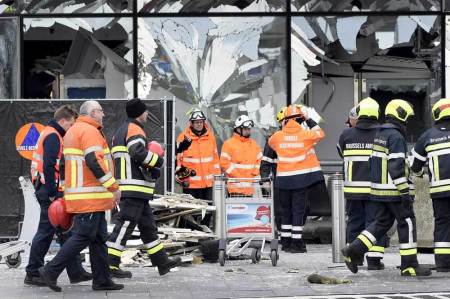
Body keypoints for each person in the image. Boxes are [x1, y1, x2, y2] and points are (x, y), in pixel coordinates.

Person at [38, 100, 124, 292]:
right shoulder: (90, 131)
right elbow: (94, 161)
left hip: (84, 196)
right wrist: (113, 187)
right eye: (101, 111)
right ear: (93, 112)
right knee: (84, 236)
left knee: (99, 238)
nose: (103, 114)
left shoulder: (73, 131)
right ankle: (50, 270)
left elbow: (64, 165)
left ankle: (102, 280)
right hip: (90, 196)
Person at [341, 99, 431, 277]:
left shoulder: (381, 134)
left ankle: (354, 250)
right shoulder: (396, 137)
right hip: (394, 191)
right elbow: (396, 166)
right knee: (407, 223)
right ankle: (410, 265)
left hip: (379, 191)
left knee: (381, 224)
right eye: (406, 117)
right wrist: (404, 191)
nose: (406, 121)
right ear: (400, 114)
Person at [107, 98, 181, 278]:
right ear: (140, 113)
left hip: (133, 188)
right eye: (146, 111)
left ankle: (162, 262)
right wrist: (158, 162)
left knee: (148, 227)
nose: (147, 114)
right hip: (134, 187)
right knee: (124, 225)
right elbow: (137, 152)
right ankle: (110, 264)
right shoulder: (134, 129)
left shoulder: (121, 129)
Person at [26, 105, 91, 286]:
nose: (71, 128)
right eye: (71, 124)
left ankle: (76, 271)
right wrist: (54, 193)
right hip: (49, 191)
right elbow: (48, 166)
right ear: (63, 121)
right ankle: (32, 273)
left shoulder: (50, 133)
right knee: (46, 231)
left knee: (65, 231)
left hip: (46, 189)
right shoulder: (54, 136)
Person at [337, 98, 387, 270]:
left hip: (353, 189)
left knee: (354, 223)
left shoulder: (346, 134)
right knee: (375, 223)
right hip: (376, 189)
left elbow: (341, 153)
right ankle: (374, 261)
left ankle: (354, 258)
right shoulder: (382, 133)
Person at [267, 104, 325, 253]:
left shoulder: (277, 137)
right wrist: (308, 119)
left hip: (283, 180)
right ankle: (296, 243)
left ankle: (285, 242)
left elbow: (271, 143)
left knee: (286, 211)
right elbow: (320, 133)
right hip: (300, 180)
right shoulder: (305, 135)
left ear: (285, 120)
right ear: (301, 119)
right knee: (298, 211)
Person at [410, 98, 450, 272]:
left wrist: (419, 174)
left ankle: (443, 264)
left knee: (442, 224)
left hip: (440, 192)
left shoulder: (427, 136)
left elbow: (415, 166)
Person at [176, 108, 220, 225]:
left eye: (201, 121)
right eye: (196, 122)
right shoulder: (183, 138)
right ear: (192, 123)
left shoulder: (210, 137)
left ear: (204, 122)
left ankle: (205, 232)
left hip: (208, 183)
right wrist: (181, 177)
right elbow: (178, 160)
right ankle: (193, 234)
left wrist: (217, 177)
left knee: (208, 210)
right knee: (191, 211)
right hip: (191, 184)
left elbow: (215, 158)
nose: (199, 124)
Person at [220, 115, 262, 196]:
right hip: (234, 190)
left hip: (250, 189)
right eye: (245, 129)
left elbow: (259, 159)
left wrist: (255, 173)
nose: (248, 131)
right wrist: (239, 177)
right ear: (238, 129)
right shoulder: (228, 144)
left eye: (249, 129)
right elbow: (224, 163)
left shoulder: (253, 144)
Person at [260, 107, 286, 232]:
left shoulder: (300, 138)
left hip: (298, 181)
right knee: (280, 209)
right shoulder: (274, 139)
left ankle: (293, 234)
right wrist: (265, 180)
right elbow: (265, 163)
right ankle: (282, 234)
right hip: (280, 181)